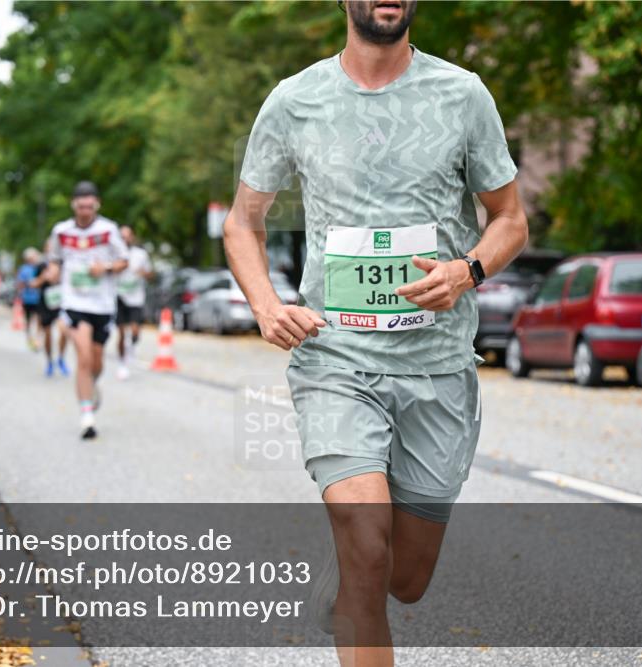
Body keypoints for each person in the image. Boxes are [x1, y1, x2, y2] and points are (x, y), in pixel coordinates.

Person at [223, 2, 528, 664]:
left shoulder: (463, 95)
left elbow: (510, 218)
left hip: (438, 364)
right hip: (335, 360)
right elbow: (243, 222)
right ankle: (354, 566)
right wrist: (267, 304)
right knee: (366, 539)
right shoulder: (294, 101)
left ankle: (352, 578)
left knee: (405, 577)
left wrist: (467, 270)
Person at [46, 181, 128, 439]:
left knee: (96, 360)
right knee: (82, 356)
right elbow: (55, 260)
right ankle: (86, 417)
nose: (85, 211)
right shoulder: (61, 231)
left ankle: (91, 385)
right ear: (74, 205)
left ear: (96, 205)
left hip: (102, 303)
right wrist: (53, 272)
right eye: (81, 206)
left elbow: (123, 261)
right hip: (74, 302)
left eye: (89, 206)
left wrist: (104, 268)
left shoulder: (108, 229)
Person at [114, 226, 154, 379]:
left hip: (136, 297)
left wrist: (143, 273)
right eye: (121, 237)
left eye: (127, 236)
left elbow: (150, 274)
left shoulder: (140, 254)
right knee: (122, 333)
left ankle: (131, 348)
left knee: (136, 331)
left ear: (132, 237)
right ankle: (122, 363)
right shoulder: (114, 254)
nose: (124, 240)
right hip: (119, 296)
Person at [32, 242, 70, 377]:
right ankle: (49, 361)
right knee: (47, 333)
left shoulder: (64, 263)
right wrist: (43, 277)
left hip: (61, 302)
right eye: (49, 247)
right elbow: (33, 284)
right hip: (46, 303)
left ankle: (61, 358)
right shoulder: (41, 265)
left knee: (64, 331)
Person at [16, 248, 43, 350]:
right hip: (27, 298)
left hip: (38, 298)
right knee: (28, 320)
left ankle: (37, 339)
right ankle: (29, 337)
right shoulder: (24, 269)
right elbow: (20, 284)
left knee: (39, 319)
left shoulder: (39, 267)